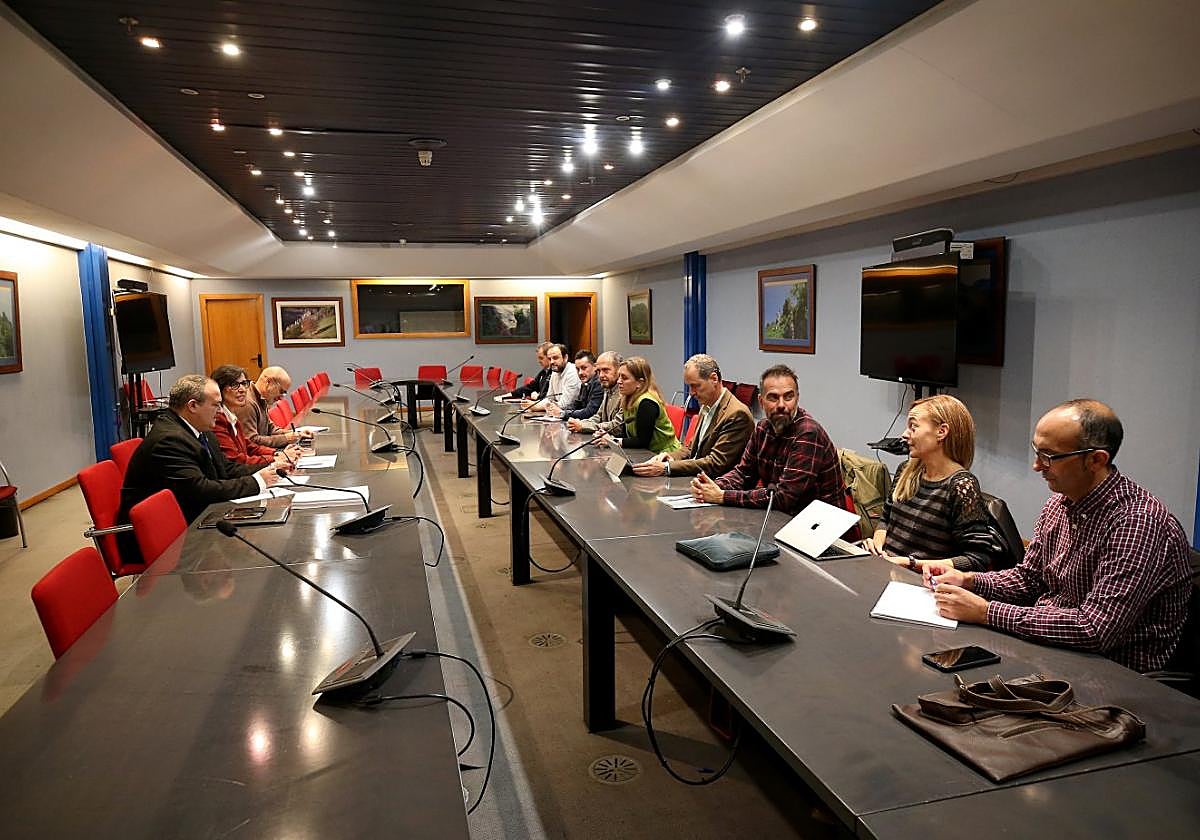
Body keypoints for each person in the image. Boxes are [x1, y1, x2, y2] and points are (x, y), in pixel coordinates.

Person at [923, 399, 1191, 672]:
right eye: (1036, 451)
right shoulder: (1060, 503)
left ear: (1096, 460)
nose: (1037, 465)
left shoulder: (1138, 522)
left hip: (1113, 673)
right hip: (1052, 651)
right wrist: (969, 580)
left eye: (1049, 456)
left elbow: (1095, 630)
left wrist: (986, 612)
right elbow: (1030, 579)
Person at [118, 375, 286, 561]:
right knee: (255, 551)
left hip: (191, 516)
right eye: (216, 405)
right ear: (192, 406)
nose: (220, 411)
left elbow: (225, 468)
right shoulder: (170, 440)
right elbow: (201, 490)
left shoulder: (199, 428)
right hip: (157, 537)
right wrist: (257, 482)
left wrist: (269, 468)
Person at [864, 395, 1006, 572]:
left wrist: (911, 563)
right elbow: (885, 519)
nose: (905, 434)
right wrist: (877, 545)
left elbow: (977, 559)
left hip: (920, 579)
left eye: (913, 426)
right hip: (887, 569)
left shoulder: (961, 485)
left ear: (941, 431)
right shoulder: (905, 471)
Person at [690, 364, 843, 515]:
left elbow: (784, 497)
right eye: (773, 398)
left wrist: (722, 496)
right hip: (782, 517)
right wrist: (712, 486)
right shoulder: (762, 429)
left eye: (788, 397)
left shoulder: (808, 434)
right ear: (761, 401)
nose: (781, 405)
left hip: (820, 524)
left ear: (797, 398)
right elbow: (743, 473)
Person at [632, 353, 753, 478]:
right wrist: (671, 457)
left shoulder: (737, 414)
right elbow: (691, 449)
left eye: (696, 386)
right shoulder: (706, 405)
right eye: (689, 386)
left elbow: (716, 463)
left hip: (717, 483)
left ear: (714, 379)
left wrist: (667, 468)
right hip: (697, 477)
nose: (691, 393)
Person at [211, 365, 301, 467]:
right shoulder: (219, 419)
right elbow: (237, 460)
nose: (242, 389)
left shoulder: (232, 416)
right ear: (219, 389)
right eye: (235, 385)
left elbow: (249, 445)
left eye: (244, 383)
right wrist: (275, 458)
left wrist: (278, 453)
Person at [604, 356, 679, 454]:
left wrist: (613, 441)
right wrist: (609, 438)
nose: (619, 381)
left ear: (640, 382)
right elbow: (627, 434)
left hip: (664, 454)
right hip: (645, 453)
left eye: (624, 378)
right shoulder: (628, 398)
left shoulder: (646, 403)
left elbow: (642, 441)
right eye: (619, 377)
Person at [245, 366, 311, 448]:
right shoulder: (247, 403)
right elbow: (252, 441)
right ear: (268, 382)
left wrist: (297, 434)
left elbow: (271, 429)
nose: (281, 398)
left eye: (284, 393)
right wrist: (286, 439)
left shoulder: (262, 398)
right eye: (281, 391)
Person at [566, 351, 623, 437]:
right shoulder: (607, 389)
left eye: (606, 370)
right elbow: (598, 417)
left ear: (619, 369)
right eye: (599, 371)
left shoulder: (624, 391)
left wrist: (583, 426)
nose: (601, 375)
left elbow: (618, 426)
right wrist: (580, 423)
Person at [547, 350, 603, 421]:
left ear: (595, 367)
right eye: (577, 369)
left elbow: (589, 412)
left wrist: (562, 413)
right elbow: (577, 406)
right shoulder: (585, 383)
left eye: (584, 368)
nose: (580, 373)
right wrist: (557, 409)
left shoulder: (599, 384)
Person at [524, 343, 580, 412]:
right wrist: (533, 405)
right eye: (549, 359)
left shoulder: (572, 372)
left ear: (565, 357)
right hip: (557, 413)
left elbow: (565, 405)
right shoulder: (554, 372)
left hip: (571, 414)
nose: (552, 362)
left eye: (555, 358)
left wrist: (537, 406)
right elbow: (549, 398)